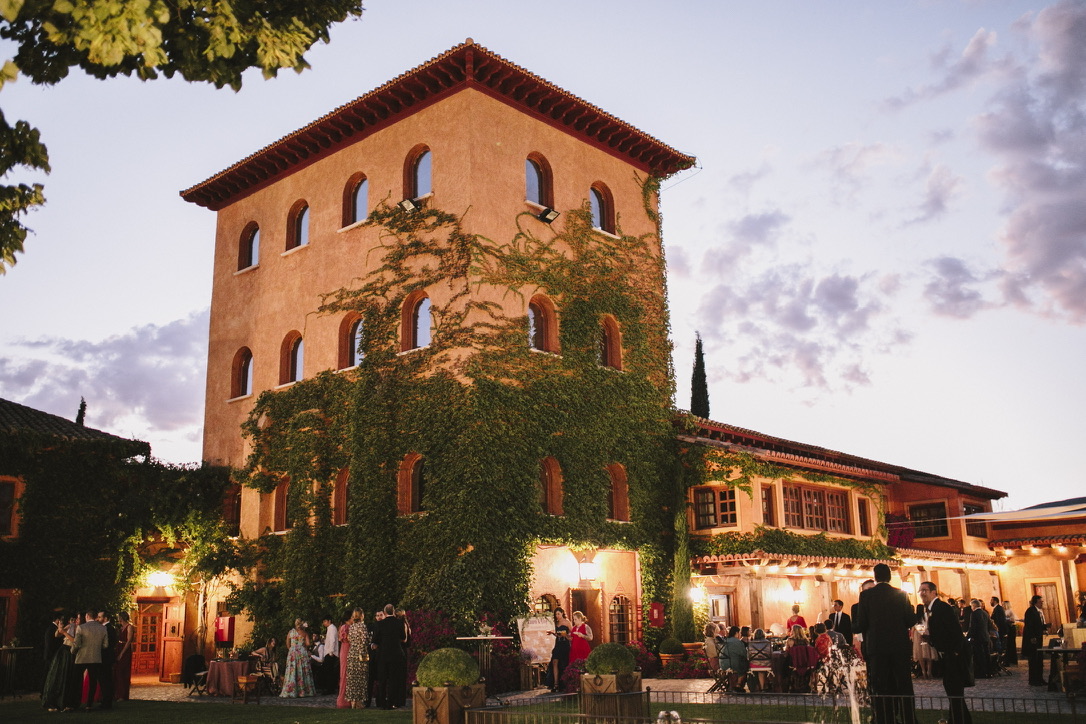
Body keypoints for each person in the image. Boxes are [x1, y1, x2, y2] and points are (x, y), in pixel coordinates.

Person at [853, 563, 915, 724]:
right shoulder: (901, 594)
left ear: (875, 577)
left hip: (877, 647)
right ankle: (909, 718)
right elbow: (910, 620)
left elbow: (861, 624)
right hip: (899, 646)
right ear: (889, 576)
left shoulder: (866, 596)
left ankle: (883, 718)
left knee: (880, 685)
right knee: (904, 684)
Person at [919, 581, 971, 724]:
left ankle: (958, 719)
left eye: (925, 590)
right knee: (952, 691)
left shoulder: (942, 608)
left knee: (954, 690)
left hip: (953, 655)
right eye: (920, 591)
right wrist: (930, 638)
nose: (922, 593)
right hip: (946, 654)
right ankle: (957, 719)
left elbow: (954, 632)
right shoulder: (932, 609)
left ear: (933, 592)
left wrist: (954, 652)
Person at [70, 609, 108, 712]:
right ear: (95, 616)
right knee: (93, 682)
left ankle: (74, 703)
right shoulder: (103, 628)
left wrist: (72, 651)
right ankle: (89, 704)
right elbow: (105, 645)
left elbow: (77, 644)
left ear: (87, 616)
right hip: (95, 658)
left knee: (76, 680)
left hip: (81, 657)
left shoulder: (81, 628)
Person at [374, 603, 408, 709]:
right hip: (395, 654)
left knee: (382, 679)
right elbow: (403, 637)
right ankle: (391, 703)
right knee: (393, 679)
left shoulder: (380, 624)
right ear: (393, 611)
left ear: (384, 613)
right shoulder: (399, 623)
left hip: (383, 654)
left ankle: (382, 702)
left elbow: (375, 639)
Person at [41, 614, 72, 711]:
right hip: (52, 656)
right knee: (50, 677)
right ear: (58, 620)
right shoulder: (52, 629)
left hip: (55, 656)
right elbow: (51, 644)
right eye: (61, 621)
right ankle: (45, 695)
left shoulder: (54, 628)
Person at [280, 618, 316, 698]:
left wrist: (292, 649)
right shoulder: (304, 633)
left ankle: (291, 690)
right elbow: (308, 643)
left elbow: (287, 644)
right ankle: (303, 691)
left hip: (292, 652)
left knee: (292, 671)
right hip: (301, 652)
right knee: (302, 671)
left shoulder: (291, 632)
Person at [344, 608, 371, 708]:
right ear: (361, 615)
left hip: (352, 653)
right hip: (361, 654)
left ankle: (353, 701)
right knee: (361, 678)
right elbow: (365, 641)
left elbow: (350, 639)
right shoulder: (362, 626)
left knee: (352, 678)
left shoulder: (352, 627)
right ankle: (359, 701)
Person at [1022, 594, 1048, 686]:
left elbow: (1038, 625)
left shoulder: (1038, 611)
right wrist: (1032, 637)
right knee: (1033, 660)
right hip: (1032, 640)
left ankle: (1040, 678)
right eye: (1041, 602)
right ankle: (1033, 680)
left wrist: (1045, 627)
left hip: (1038, 638)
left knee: (1039, 659)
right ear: (1036, 602)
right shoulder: (1030, 611)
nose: (1042, 603)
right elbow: (1029, 625)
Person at [544, 608, 571, 690]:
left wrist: (565, 635)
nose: (557, 616)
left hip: (565, 645)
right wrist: (553, 633)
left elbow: (572, 635)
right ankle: (556, 684)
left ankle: (564, 683)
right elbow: (558, 635)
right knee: (554, 662)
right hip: (558, 644)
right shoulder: (556, 623)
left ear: (562, 613)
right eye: (556, 614)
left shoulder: (567, 622)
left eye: (558, 614)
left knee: (563, 663)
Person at [717, 625, 749, 692]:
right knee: (745, 666)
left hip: (722, 664)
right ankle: (738, 685)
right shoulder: (738, 642)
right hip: (732, 664)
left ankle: (733, 685)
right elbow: (744, 654)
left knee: (740, 663)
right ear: (737, 633)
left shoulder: (724, 640)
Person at [966, 599, 991, 679]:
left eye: (971, 606)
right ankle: (989, 672)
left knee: (979, 656)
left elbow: (972, 627)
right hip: (985, 637)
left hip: (977, 638)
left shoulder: (974, 614)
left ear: (974, 605)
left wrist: (968, 637)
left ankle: (981, 673)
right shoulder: (985, 613)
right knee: (986, 655)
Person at [97, 611, 117, 709]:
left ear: (105, 618)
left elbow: (107, 644)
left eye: (100, 617)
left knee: (105, 680)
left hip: (105, 658)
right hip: (108, 657)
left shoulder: (106, 628)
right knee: (106, 680)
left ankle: (106, 702)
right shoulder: (110, 628)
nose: (98, 619)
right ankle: (106, 700)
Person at [113, 611, 134, 702]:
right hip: (119, 647)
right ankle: (117, 694)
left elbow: (129, 641)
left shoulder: (129, 627)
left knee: (122, 671)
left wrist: (121, 653)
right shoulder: (121, 627)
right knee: (117, 671)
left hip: (125, 649)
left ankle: (123, 695)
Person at [320, 615, 340, 696]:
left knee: (329, 671)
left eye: (325, 621)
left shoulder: (332, 628)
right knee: (329, 671)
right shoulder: (330, 628)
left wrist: (331, 651)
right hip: (329, 652)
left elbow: (333, 640)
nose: (324, 623)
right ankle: (330, 688)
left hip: (330, 652)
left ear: (329, 621)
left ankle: (330, 688)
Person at [336, 616, 352, 709]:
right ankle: (344, 700)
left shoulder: (343, 627)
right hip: (347, 650)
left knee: (345, 674)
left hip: (344, 649)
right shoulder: (346, 627)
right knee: (345, 674)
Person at [1002, 601, 1018, 666]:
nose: (1002, 605)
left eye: (1003, 604)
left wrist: (1006, 619)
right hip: (1007, 628)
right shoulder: (1004, 611)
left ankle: (1012, 660)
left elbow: (1013, 619)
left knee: (1011, 643)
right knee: (1008, 644)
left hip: (1011, 628)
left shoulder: (1010, 611)